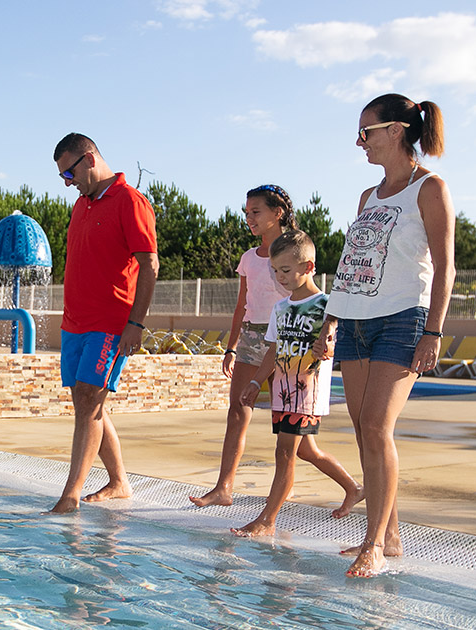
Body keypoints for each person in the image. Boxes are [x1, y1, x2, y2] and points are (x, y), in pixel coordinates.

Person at [318, 94, 456, 577]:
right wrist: (332, 319)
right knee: (362, 429)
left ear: (396, 131)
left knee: (377, 427)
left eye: (366, 133)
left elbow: (445, 267)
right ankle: (389, 533)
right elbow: (352, 266)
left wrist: (433, 331)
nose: (361, 143)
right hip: (355, 319)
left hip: (403, 319)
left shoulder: (430, 189)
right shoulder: (367, 197)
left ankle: (373, 543)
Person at [47, 132, 159, 514]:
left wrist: (136, 324)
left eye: (69, 173)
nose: (68, 182)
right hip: (75, 323)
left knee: (90, 402)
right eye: (63, 176)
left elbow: (149, 265)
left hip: (110, 323)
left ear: (90, 159)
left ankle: (70, 494)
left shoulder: (130, 202)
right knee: (86, 401)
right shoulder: (82, 205)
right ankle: (119, 482)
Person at [227, 230, 362, 537]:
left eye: (286, 270)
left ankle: (267, 519)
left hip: (307, 392)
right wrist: (256, 382)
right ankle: (353, 488)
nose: (280, 277)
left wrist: (326, 348)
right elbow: (272, 351)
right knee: (306, 451)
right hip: (283, 392)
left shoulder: (328, 307)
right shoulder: (280, 308)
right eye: (275, 271)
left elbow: (333, 344)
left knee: (285, 452)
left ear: (308, 267)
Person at [188, 185, 298, 508]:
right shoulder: (248, 258)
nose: (249, 218)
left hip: (286, 338)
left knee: (287, 422)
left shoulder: (294, 251)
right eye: (246, 213)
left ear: (277, 213)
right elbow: (242, 306)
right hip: (251, 336)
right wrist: (231, 346)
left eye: (256, 212)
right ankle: (223, 487)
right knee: (237, 411)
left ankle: (285, 487)